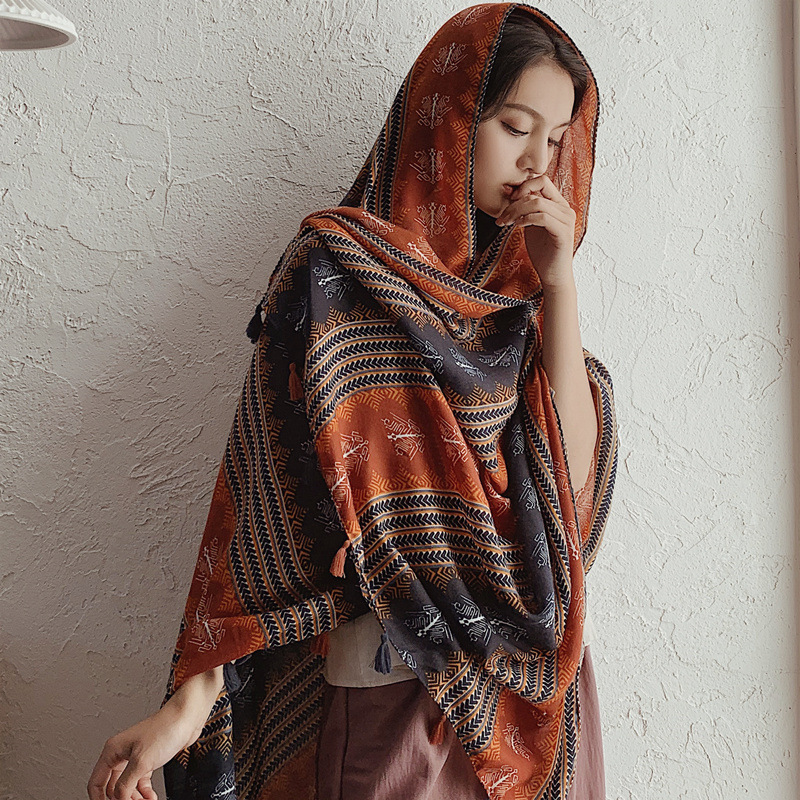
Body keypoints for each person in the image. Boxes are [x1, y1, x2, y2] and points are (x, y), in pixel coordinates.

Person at [87, 4, 619, 800]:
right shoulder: (336, 279)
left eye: (555, 140)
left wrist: (560, 282)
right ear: (445, 119)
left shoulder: (527, 317)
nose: (536, 164)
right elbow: (261, 506)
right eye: (515, 126)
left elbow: (569, 496)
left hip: (534, 714)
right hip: (387, 691)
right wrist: (192, 702)